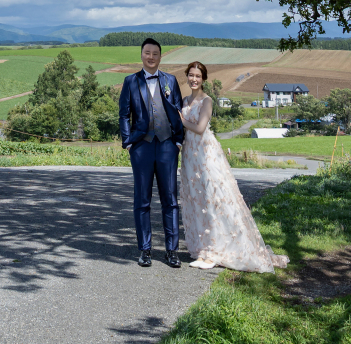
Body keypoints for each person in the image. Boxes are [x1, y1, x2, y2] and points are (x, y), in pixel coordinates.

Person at [179, 61, 289, 271]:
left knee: (214, 201)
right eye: (191, 75)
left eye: (198, 76)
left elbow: (200, 128)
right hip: (189, 156)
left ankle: (216, 251)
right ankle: (203, 249)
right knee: (196, 200)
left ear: (203, 79)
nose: (194, 79)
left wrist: (180, 119)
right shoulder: (185, 100)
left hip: (205, 154)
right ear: (187, 76)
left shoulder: (207, 101)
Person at [118, 38, 184, 268]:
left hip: (167, 145)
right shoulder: (130, 81)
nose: (151, 57)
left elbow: (178, 110)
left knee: (171, 200)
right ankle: (145, 249)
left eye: (155, 53)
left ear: (160, 56)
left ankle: (171, 251)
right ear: (142, 55)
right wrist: (128, 142)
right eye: (147, 53)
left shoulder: (171, 80)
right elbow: (124, 114)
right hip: (141, 146)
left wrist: (178, 141)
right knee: (142, 200)